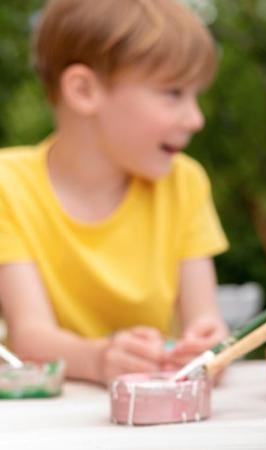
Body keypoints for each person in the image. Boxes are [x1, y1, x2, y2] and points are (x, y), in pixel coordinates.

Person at [0, 0, 229, 385]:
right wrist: (99, 359)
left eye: (195, 95)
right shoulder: (9, 184)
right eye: (173, 92)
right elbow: (29, 337)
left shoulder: (185, 182)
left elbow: (207, 322)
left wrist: (209, 348)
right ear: (84, 90)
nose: (196, 118)